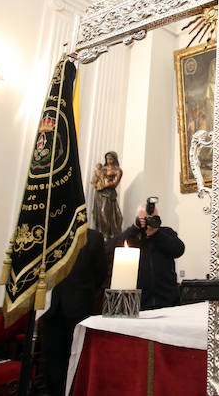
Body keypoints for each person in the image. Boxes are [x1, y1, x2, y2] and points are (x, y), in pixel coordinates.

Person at [39, 228, 106, 396]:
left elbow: (101, 273)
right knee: (53, 359)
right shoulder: (50, 234)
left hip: (79, 309)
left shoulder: (93, 237)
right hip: (51, 308)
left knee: (77, 358)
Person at [108, 201, 185, 309]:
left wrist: (156, 234)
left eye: (154, 218)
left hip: (167, 298)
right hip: (139, 300)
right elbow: (111, 248)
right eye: (146, 218)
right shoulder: (132, 235)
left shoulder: (166, 232)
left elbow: (179, 249)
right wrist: (135, 228)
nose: (150, 221)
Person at [92, 151, 123, 239]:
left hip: (109, 194)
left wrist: (103, 185)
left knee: (105, 213)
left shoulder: (118, 170)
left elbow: (115, 183)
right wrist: (97, 182)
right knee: (99, 214)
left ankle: (108, 234)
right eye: (107, 159)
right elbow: (96, 179)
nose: (109, 161)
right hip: (100, 194)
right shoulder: (103, 168)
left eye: (111, 159)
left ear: (114, 159)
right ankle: (101, 235)